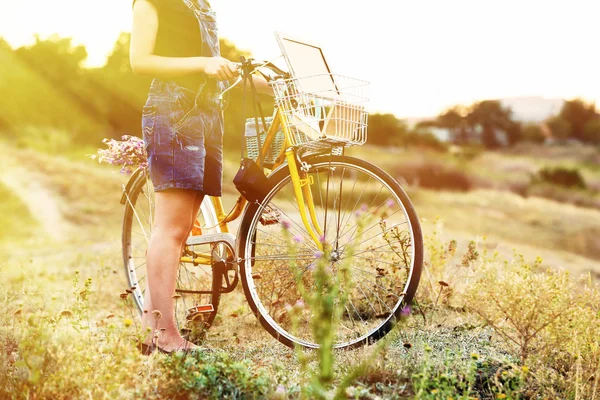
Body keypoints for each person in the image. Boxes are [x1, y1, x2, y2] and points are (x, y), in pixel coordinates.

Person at [130, 0, 272, 354]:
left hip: (207, 114)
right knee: (172, 228)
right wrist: (205, 63)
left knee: (184, 226)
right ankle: (164, 334)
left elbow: (205, 61)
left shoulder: (201, 3)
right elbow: (140, 60)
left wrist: (249, 75)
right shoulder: (150, 2)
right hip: (174, 110)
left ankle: (152, 327)